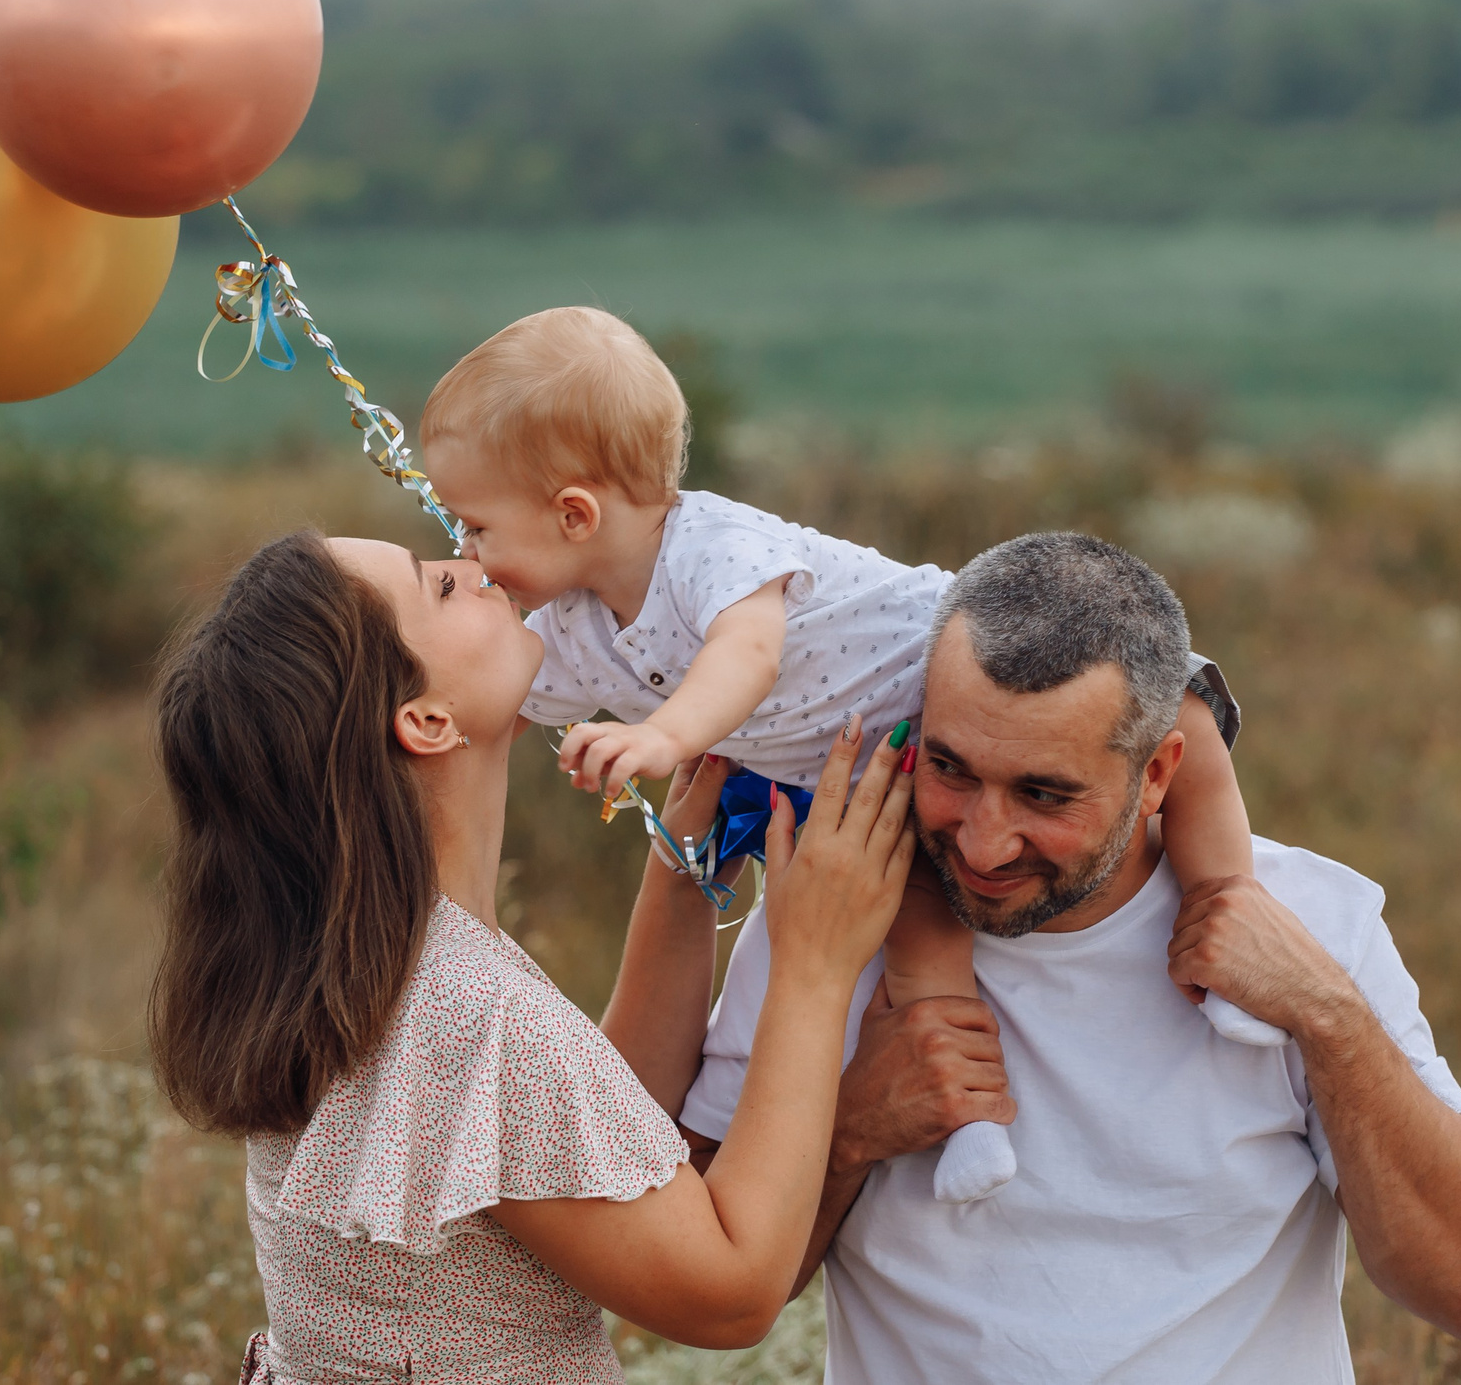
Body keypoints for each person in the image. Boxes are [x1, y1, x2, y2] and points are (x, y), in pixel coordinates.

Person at [419, 307, 1281, 1207]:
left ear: (573, 513)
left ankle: (1227, 918)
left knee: (1183, 716)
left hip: (964, 675)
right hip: (881, 778)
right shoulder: (574, 628)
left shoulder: (709, 547)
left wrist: (663, 736)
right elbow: (490, 709)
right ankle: (975, 1125)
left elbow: (747, 653)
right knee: (915, 913)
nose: (466, 554)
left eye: (475, 528)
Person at [680, 532, 1461, 1384]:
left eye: (1043, 793)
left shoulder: (1310, 926)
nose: (982, 841)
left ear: (1157, 772)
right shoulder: (830, 915)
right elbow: (703, 1288)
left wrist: (1328, 1015)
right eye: (951, 768)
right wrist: (852, 1131)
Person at [145, 529, 914, 1383]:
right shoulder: (459, 1006)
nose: (474, 566)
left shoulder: (390, 958)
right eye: (439, 586)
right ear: (426, 721)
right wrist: (814, 967)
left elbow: (583, 1140)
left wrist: (682, 881)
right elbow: (730, 1292)